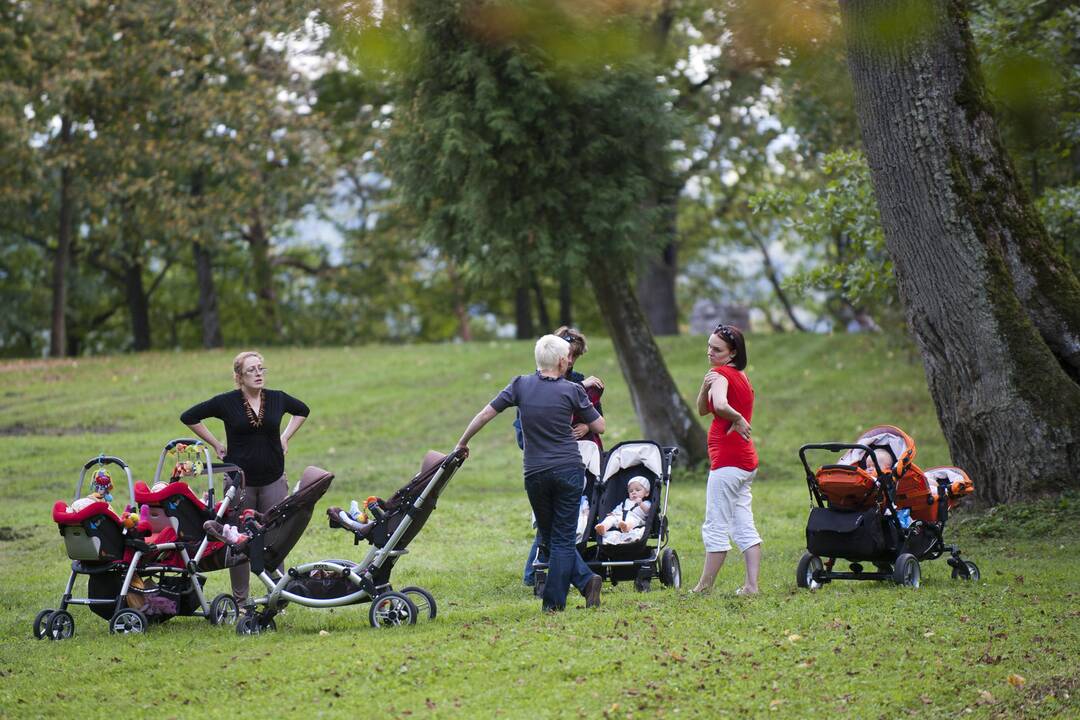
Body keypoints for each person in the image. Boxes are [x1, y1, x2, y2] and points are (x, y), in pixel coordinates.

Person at [457, 334, 606, 612]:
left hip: (535, 474)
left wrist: (462, 442)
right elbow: (599, 426)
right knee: (560, 539)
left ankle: (583, 584)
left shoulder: (520, 385)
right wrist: (584, 407)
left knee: (551, 538)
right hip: (569, 471)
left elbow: (486, 414)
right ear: (563, 361)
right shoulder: (572, 390)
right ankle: (566, 595)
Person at [180, 350, 309, 605]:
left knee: (274, 538)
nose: (259, 374)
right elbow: (189, 416)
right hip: (239, 481)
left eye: (261, 368)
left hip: (273, 477)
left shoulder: (277, 398)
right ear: (239, 376)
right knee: (237, 539)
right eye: (252, 370)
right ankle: (241, 602)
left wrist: (284, 437)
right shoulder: (226, 402)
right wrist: (216, 444)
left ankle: (277, 597)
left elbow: (302, 410)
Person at [522, 326, 605, 585]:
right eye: (568, 355)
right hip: (546, 459)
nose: (570, 362)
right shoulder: (535, 383)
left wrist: (586, 426)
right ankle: (555, 576)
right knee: (550, 526)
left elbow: (599, 421)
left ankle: (570, 582)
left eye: (575, 357)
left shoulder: (579, 381)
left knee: (560, 525)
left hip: (576, 456)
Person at [691, 324, 762, 596]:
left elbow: (719, 405)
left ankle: (703, 587)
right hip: (744, 463)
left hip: (728, 462)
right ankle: (751, 586)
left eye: (717, 349)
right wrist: (704, 384)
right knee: (743, 523)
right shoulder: (736, 375)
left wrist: (737, 418)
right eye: (709, 346)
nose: (710, 352)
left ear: (732, 353)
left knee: (715, 524)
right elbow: (702, 409)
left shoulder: (722, 374)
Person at [594, 477, 651, 543]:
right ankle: (603, 527)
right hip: (620, 517)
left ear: (646, 493)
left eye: (637, 490)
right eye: (631, 491)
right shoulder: (626, 501)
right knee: (610, 518)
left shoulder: (646, 503)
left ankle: (626, 527)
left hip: (636, 518)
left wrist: (641, 504)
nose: (634, 492)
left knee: (631, 520)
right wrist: (613, 513)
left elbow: (648, 511)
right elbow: (619, 508)